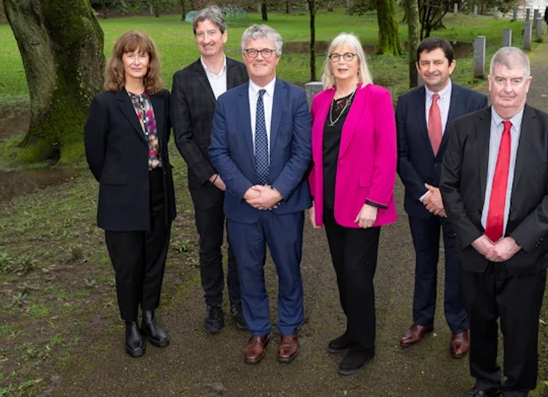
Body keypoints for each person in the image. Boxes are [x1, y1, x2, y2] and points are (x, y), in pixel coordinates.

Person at [440, 47, 548, 397]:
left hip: (525, 254)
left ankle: (516, 389)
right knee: (479, 324)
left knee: (521, 328)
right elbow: (448, 188)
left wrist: (514, 242)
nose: (507, 89)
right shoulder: (464, 128)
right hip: (474, 250)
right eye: (500, 80)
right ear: (489, 82)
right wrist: (476, 238)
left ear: (528, 84)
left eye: (515, 81)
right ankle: (485, 381)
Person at [209, 24, 311, 365]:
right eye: (252, 51)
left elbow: (302, 152)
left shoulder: (296, 98)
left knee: (288, 269)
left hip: (285, 204)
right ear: (244, 56)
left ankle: (289, 328)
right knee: (249, 270)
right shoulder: (227, 102)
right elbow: (218, 152)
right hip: (243, 206)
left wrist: (278, 191)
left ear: (278, 56)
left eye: (266, 51)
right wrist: (246, 190)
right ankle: (257, 330)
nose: (259, 57)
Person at [307, 33, 397, 375]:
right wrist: (315, 199)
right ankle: (353, 328)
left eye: (348, 55)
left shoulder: (377, 97)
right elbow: (318, 158)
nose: (341, 61)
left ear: (360, 61)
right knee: (343, 274)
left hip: (363, 205)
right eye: (335, 56)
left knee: (359, 275)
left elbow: (386, 153)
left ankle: (365, 345)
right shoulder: (322, 101)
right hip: (330, 204)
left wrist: (375, 201)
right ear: (329, 62)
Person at [84, 30, 176, 358]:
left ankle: (149, 316)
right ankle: (131, 323)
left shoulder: (162, 99)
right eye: (130, 54)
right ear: (120, 60)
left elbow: (163, 142)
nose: (137, 61)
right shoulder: (105, 103)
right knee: (128, 264)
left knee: (154, 261)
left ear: (150, 61)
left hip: (158, 192)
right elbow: (95, 154)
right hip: (121, 199)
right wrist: (118, 182)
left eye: (143, 55)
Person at [396, 37, 487, 358]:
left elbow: (477, 159)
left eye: (437, 62)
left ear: (451, 65)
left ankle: (459, 326)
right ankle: (422, 320)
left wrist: (447, 197)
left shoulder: (474, 103)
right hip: (419, 202)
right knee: (423, 261)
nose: (431, 69)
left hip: (457, 204)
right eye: (425, 63)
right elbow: (401, 155)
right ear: (418, 67)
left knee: (457, 263)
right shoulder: (404, 103)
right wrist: (423, 194)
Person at [171, 5, 248, 333]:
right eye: (200, 34)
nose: (206, 39)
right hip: (206, 181)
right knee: (209, 243)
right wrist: (211, 174)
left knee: (241, 243)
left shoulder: (243, 73)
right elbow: (183, 136)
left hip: (242, 177)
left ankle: (239, 303)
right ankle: (213, 304)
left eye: (211, 33)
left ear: (224, 35)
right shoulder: (184, 79)